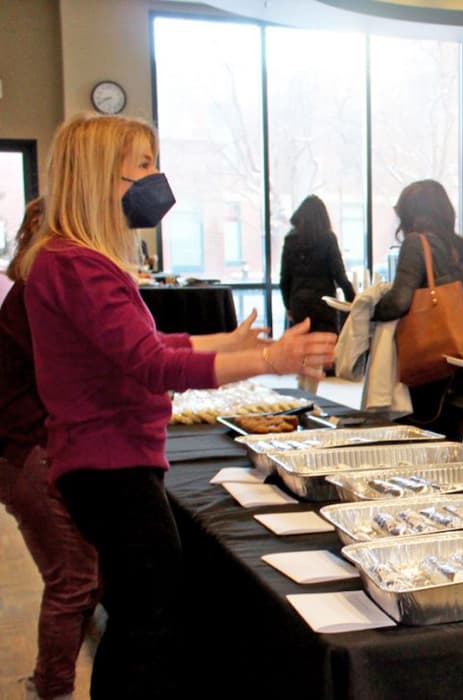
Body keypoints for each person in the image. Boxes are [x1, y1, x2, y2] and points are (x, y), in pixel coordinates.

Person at [16, 113, 338, 699]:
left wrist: (229, 344)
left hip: (104, 461)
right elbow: (153, 365)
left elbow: (143, 347)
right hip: (107, 465)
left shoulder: (70, 261)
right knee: (146, 620)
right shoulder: (78, 265)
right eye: (142, 165)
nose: (155, 178)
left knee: (145, 611)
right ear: (100, 177)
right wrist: (270, 361)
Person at [1, 198, 100, 700]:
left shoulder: (30, 289)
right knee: (75, 581)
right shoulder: (35, 294)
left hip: (32, 449)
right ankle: (53, 689)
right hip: (27, 453)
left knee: (83, 579)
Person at [372, 180, 463, 442]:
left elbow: (399, 300)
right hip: (460, 368)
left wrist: (369, 309)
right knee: (449, 457)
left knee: (413, 460)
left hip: (427, 368)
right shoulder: (460, 248)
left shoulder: (416, 244)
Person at [280, 194, 355, 391]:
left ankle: (302, 386)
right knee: (317, 350)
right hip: (322, 303)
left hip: (299, 303)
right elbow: (339, 273)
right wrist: (353, 298)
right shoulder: (327, 238)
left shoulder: (291, 239)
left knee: (303, 348)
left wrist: (288, 305)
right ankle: (309, 391)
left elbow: (284, 278)